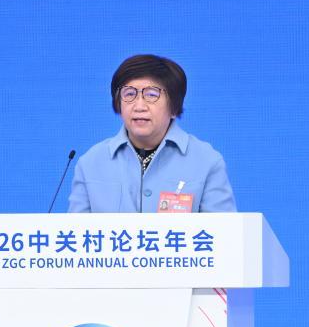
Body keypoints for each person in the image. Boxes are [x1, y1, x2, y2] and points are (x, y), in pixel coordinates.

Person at [68, 54, 236, 213]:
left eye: (151, 95)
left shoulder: (206, 161)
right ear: (118, 104)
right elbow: (75, 230)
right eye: (130, 94)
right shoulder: (91, 163)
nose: (139, 106)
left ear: (174, 107)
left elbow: (225, 231)